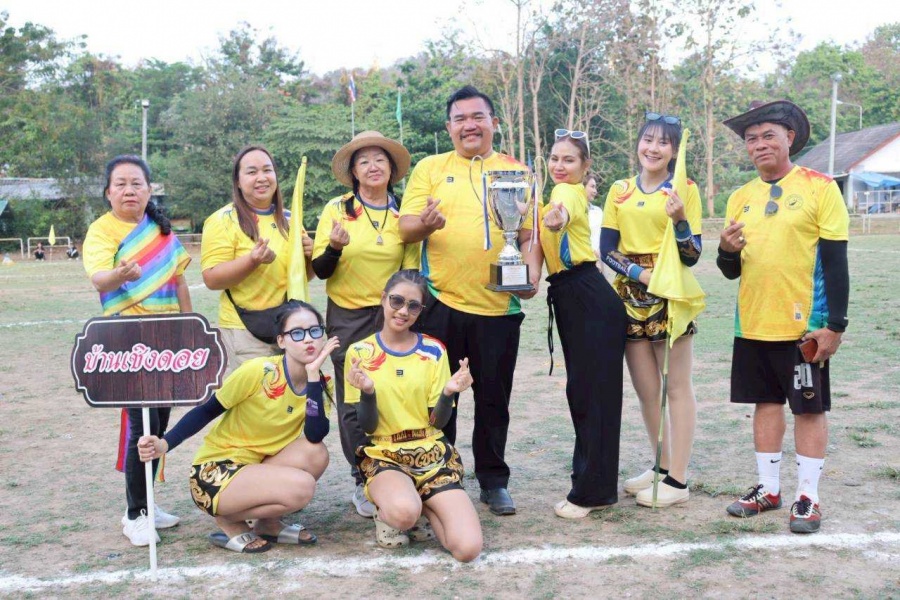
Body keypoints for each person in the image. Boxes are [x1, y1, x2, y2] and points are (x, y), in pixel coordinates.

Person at [398, 85, 543, 516]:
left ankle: (494, 481)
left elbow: (530, 234)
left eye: (478, 117)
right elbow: (405, 228)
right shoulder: (430, 168)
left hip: (499, 307)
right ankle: (441, 476)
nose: (469, 125)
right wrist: (426, 224)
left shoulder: (517, 171)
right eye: (460, 118)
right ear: (449, 127)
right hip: (439, 303)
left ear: (494, 122)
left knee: (494, 400)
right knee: (440, 397)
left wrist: (530, 275)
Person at [718, 100, 849, 534]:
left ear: (789, 138)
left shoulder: (819, 187)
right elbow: (730, 270)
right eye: (751, 139)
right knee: (766, 403)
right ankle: (769, 489)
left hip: (804, 327)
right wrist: (726, 251)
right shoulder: (740, 197)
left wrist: (835, 325)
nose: (759, 145)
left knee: (808, 409)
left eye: (768, 136)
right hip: (752, 322)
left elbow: (836, 262)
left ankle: (808, 496)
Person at [137, 301, 337, 553]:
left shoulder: (320, 382)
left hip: (256, 466)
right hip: (215, 473)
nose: (308, 339)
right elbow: (208, 410)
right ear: (281, 341)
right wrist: (165, 443)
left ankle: (268, 524)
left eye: (315, 331)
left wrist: (313, 376)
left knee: (316, 453)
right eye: (297, 333)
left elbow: (315, 435)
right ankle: (228, 519)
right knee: (302, 488)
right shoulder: (259, 371)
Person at [82, 155, 192, 546]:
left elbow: (180, 281)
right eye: (121, 184)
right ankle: (135, 513)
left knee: (158, 424)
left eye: (137, 183)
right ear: (108, 192)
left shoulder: (161, 230)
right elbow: (99, 279)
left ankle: (147, 502)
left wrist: (189, 327)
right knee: (140, 429)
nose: (129, 190)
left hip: (167, 343)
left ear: (149, 189)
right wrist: (120, 274)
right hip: (128, 345)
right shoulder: (101, 230)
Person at [312, 131, 420, 519]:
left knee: (393, 391)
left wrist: (402, 313)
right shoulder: (337, 209)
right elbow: (320, 269)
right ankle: (363, 477)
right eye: (363, 161)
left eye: (380, 160)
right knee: (354, 399)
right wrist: (335, 247)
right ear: (353, 172)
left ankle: (397, 470)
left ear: (391, 168)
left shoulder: (404, 212)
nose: (373, 166)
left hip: (392, 313)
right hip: (347, 315)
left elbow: (410, 271)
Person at [600, 112, 703, 508]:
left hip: (670, 296)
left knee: (677, 387)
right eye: (648, 139)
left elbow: (692, 255)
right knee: (646, 390)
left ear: (674, 151)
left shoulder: (684, 189)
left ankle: (678, 478)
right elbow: (607, 249)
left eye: (663, 142)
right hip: (629, 296)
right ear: (638, 143)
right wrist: (640, 275)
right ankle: (661, 466)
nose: (653, 148)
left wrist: (679, 220)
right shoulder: (619, 190)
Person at [344, 270, 482, 562]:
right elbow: (368, 426)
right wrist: (367, 392)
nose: (403, 311)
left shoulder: (434, 351)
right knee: (404, 513)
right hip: (385, 454)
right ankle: (397, 510)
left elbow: (438, 423)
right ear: (383, 299)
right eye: (396, 301)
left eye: (413, 306)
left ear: (421, 310)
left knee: (467, 549)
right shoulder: (360, 353)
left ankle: (424, 502)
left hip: (431, 454)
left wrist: (448, 393)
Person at [541, 132, 626, 518]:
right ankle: (593, 484)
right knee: (586, 394)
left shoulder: (567, 194)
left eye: (569, 160)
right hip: (574, 296)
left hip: (586, 297)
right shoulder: (555, 194)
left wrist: (559, 219)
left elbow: (567, 211)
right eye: (554, 158)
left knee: (592, 397)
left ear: (585, 166)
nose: (559, 166)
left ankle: (592, 493)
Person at [201, 145, 314, 375]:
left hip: (289, 328)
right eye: (252, 172)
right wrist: (252, 261)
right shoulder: (223, 220)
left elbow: (302, 277)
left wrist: (310, 256)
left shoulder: (290, 220)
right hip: (245, 332)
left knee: (290, 393)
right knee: (258, 394)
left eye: (267, 170)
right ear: (238, 181)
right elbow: (212, 279)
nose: (261, 178)